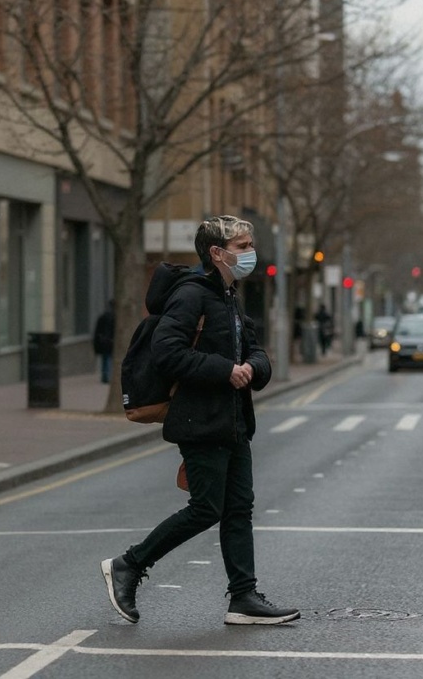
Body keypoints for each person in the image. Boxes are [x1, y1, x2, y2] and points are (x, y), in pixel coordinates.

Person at [100, 215, 300, 626]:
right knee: (206, 508)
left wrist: (252, 368)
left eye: (249, 245)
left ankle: (243, 598)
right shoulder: (191, 295)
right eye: (243, 246)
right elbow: (167, 352)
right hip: (200, 419)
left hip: (233, 420)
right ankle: (128, 564)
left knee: (238, 508)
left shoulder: (230, 295)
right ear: (217, 253)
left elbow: (255, 349)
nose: (250, 253)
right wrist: (225, 369)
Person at [93, 300, 115, 384]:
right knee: (108, 359)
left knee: (105, 359)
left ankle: (105, 376)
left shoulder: (102, 317)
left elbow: (97, 331)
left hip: (104, 342)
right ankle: (107, 376)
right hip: (110, 342)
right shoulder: (114, 317)